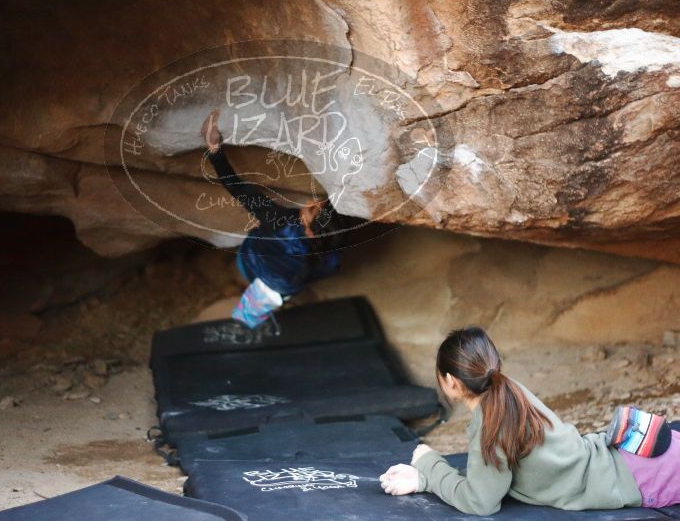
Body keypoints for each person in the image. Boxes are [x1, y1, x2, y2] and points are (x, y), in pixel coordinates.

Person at [379, 327, 680, 515]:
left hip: (640, 477)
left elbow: (480, 502)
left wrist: (429, 467)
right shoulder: (509, 389)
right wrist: (425, 478)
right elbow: (491, 473)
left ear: (450, 381)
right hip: (633, 455)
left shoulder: (491, 422)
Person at [200, 110, 345, 327]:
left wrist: (214, 151)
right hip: (287, 285)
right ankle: (255, 315)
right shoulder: (333, 241)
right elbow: (330, 267)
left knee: (261, 281)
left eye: (312, 210)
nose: (312, 203)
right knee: (267, 299)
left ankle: (247, 316)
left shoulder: (280, 221)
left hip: (253, 265)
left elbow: (239, 190)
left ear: (308, 229)